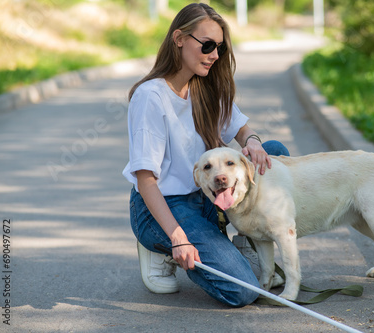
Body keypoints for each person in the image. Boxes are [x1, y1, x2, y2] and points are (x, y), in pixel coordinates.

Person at [122, 2, 289, 307]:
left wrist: (252, 141)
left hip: (208, 194)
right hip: (165, 204)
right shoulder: (151, 97)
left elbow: (243, 130)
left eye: (220, 48)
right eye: (208, 45)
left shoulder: (204, 87)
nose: (214, 55)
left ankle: (247, 241)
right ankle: (159, 245)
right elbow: (146, 180)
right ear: (179, 39)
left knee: (273, 153)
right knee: (243, 291)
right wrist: (178, 237)